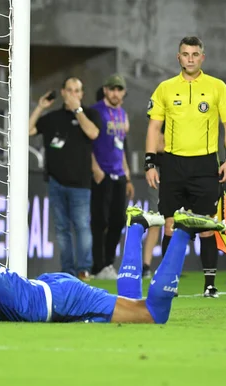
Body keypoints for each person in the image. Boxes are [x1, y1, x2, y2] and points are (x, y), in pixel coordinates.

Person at [0, 207, 226, 323]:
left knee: (151, 315)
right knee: (128, 311)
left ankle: (181, 236)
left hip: (60, 298)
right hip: (48, 291)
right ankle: (135, 226)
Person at [145, 36, 226, 297]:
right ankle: (168, 284)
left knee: (207, 226)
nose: (190, 58)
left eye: (195, 54)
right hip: (173, 164)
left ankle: (209, 285)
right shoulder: (164, 88)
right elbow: (153, 127)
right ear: (178, 57)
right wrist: (150, 162)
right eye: (185, 54)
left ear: (202, 57)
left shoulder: (216, 87)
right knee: (170, 225)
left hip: (206, 163)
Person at [28, 77, 101, 280]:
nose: (73, 94)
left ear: (82, 94)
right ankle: (68, 270)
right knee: (61, 229)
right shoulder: (52, 118)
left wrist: (78, 111)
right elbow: (27, 130)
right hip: (56, 181)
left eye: (77, 90)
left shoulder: (90, 114)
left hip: (80, 183)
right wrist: (40, 107)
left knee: (82, 226)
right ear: (63, 92)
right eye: (69, 90)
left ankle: (84, 269)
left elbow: (93, 133)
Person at [90, 74, 135, 280]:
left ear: (124, 92)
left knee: (117, 221)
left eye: (119, 89)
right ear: (106, 90)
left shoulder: (123, 114)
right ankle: (97, 266)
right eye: (112, 89)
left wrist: (127, 176)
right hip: (102, 174)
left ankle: (108, 264)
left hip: (118, 173)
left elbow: (122, 147)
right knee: (100, 222)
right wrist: (95, 168)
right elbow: (88, 143)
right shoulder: (96, 111)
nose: (116, 93)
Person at [142, 125, 165, 279]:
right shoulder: (160, 121)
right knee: (155, 220)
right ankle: (146, 266)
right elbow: (156, 145)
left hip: (178, 172)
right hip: (159, 171)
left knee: (175, 222)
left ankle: (169, 266)